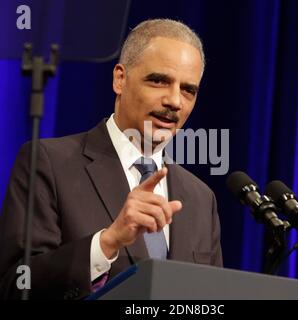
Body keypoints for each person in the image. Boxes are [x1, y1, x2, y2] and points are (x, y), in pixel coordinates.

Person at [0, 19, 222, 300]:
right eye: (159, 80)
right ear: (120, 79)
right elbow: (15, 285)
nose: (175, 101)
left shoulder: (201, 199)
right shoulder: (49, 163)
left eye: (188, 90)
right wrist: (107, 242)